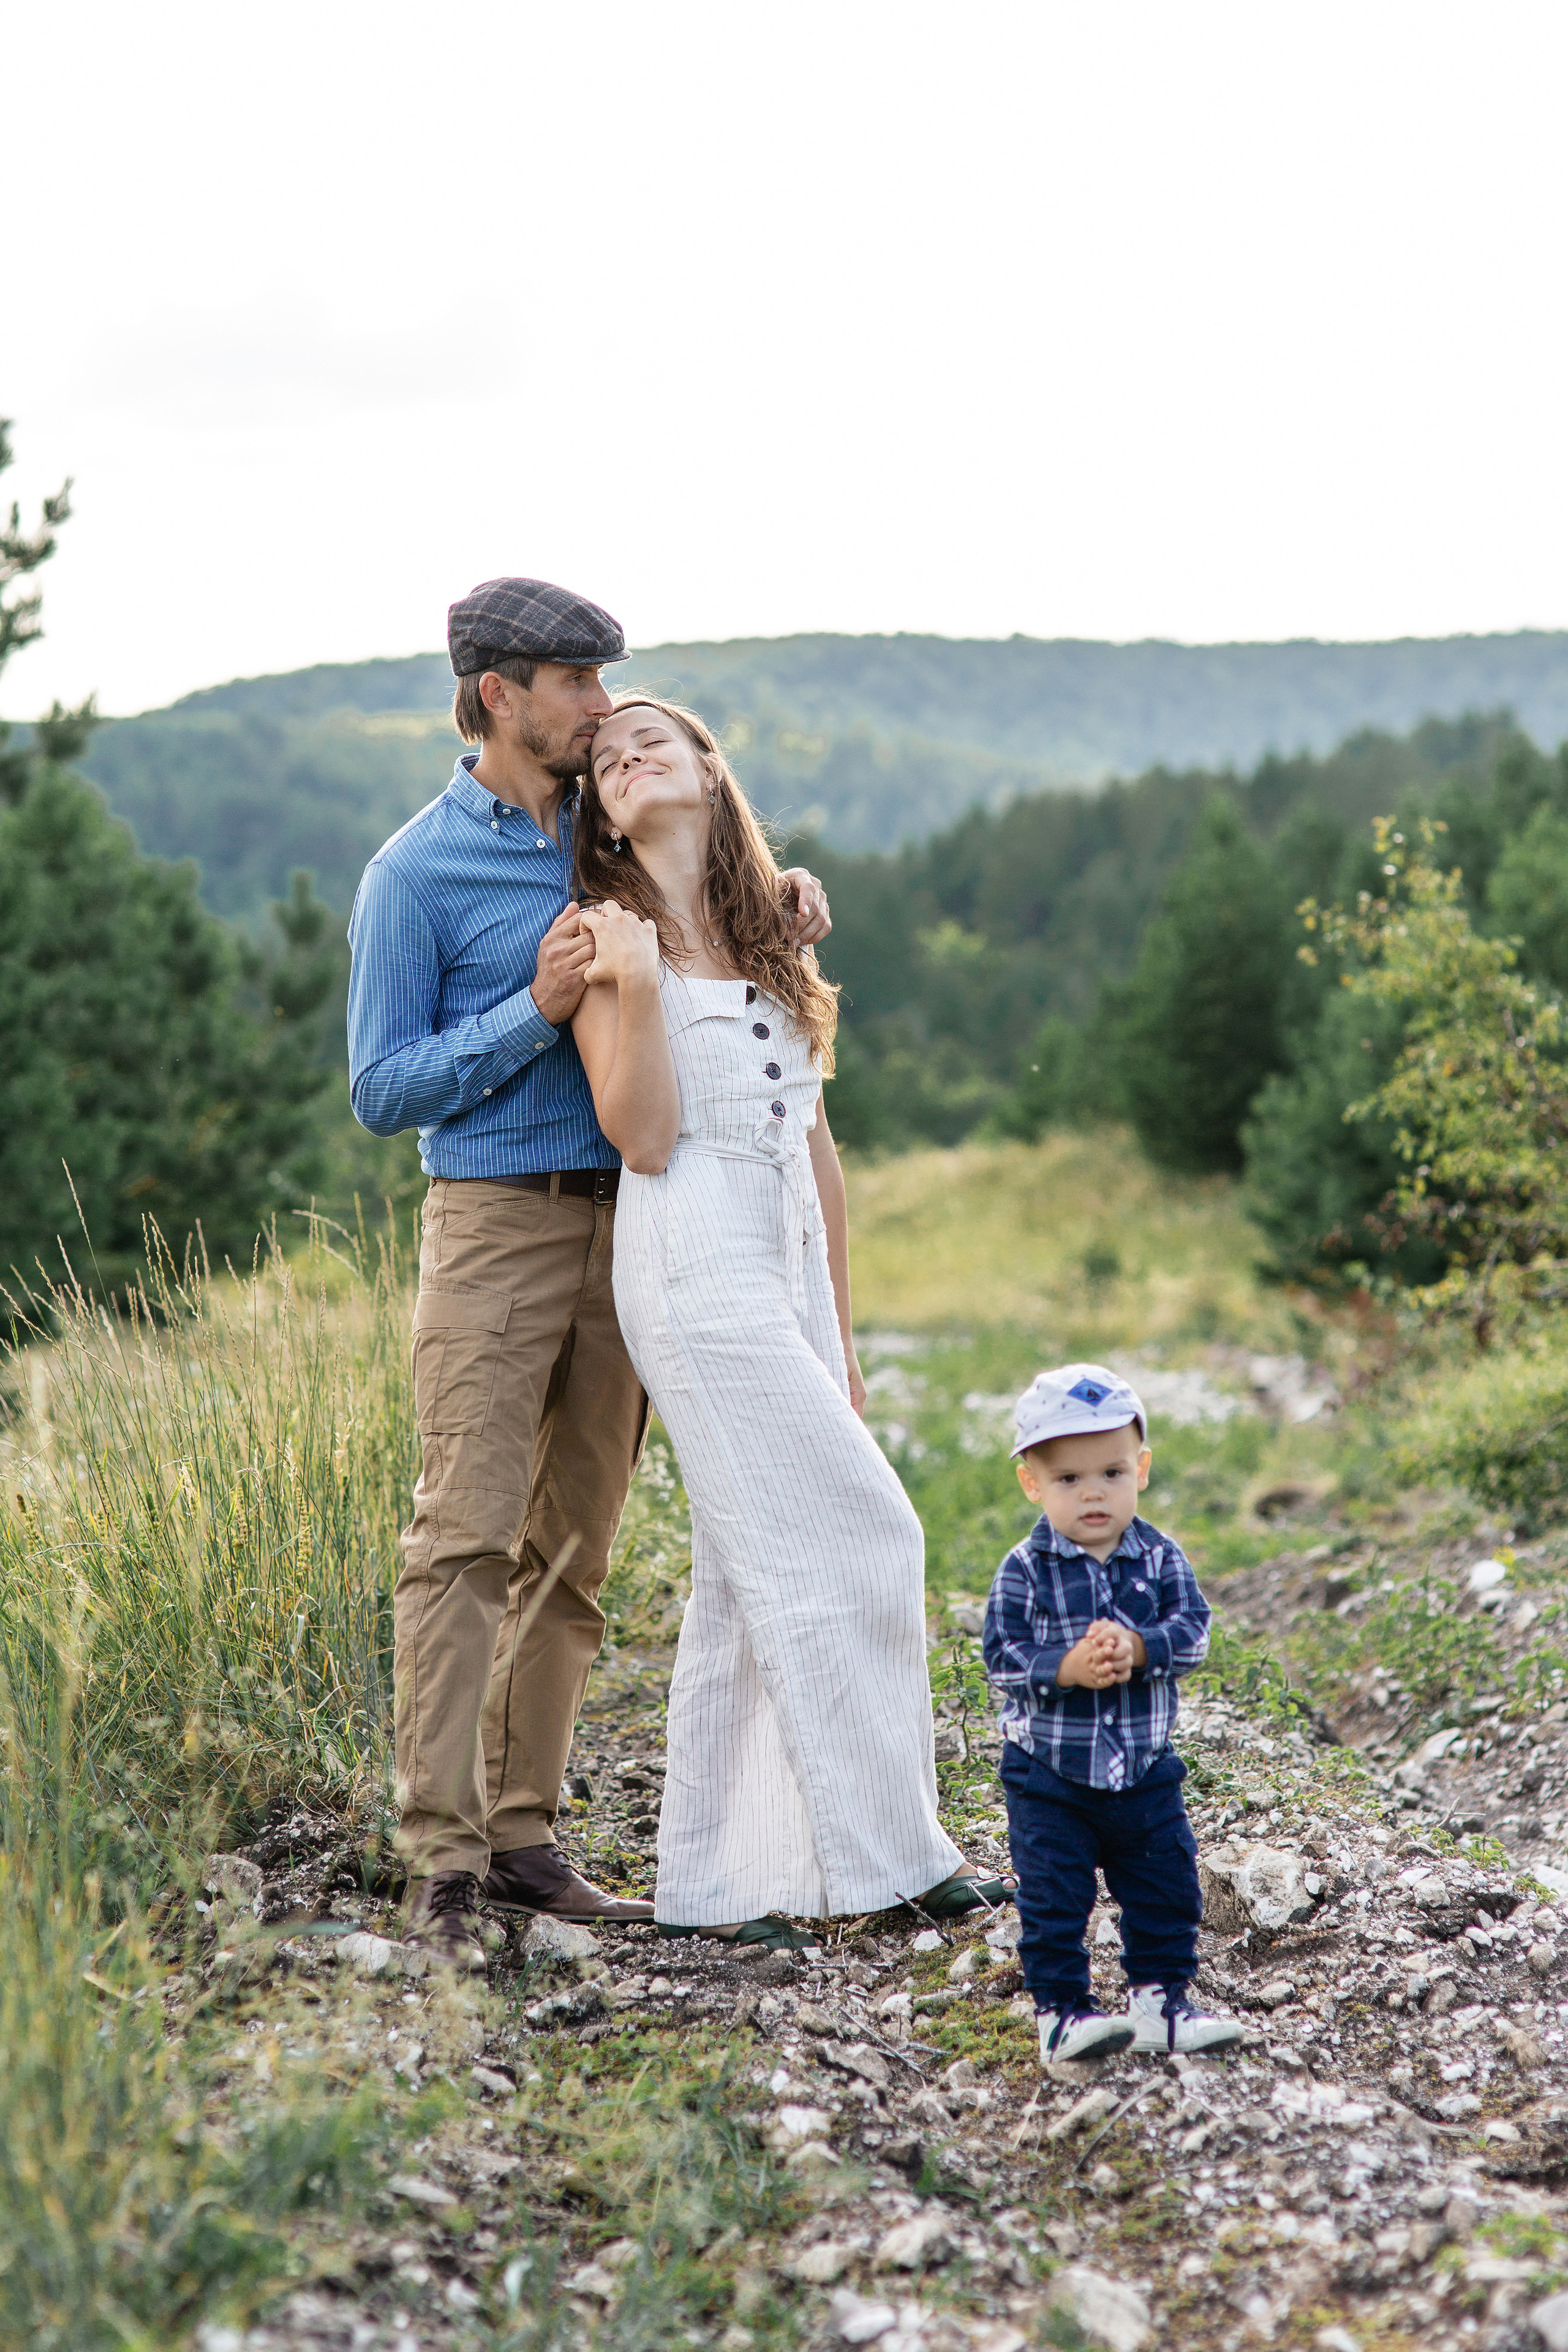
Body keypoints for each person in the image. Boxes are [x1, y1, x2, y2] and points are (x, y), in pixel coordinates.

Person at [347, 579, 832, 1966]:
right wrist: (530, 1008)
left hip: (639, 1219)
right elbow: (383, 1089)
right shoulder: (414, 874)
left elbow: (706, 903)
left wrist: (778, 901)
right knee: (462, 1538)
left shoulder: (605, 831)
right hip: (494, 1222)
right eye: (573, 679)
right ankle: (437, 1856)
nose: (601, 704)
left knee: (573, 1546)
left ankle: (524, 1836)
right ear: (496, 693)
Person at [567, 693, 1011, 1946]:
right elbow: (643, 1139)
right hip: (692, 1260)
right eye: (603, 760)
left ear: (711, 773)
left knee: (744, 1572)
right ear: (599, 815)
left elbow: (816, 1152)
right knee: (871, 1533)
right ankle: (898, 1858)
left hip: (783, 1259)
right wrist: (639, 985)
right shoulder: (607, 935)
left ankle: (725, 1885)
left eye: (651, 739)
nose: (626, 757)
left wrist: (845, 1340)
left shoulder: (775, 934)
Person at [981, 1363, 1242, 2057]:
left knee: (1166, 1889)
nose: (1093, 1492)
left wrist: (1140, 1648)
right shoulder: (1025, 1569)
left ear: (1142, 1470)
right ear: (1032, 1482)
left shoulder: (1158, 1559)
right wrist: (1065, 1667)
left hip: (1143, 1768)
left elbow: (1193, 1634)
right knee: (1053, 1899)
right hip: (1050, 1776)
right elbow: (1001, 1656)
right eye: (1069, 1479)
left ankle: (1160, 2002)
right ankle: (1063, 2015)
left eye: (1112, 1473)